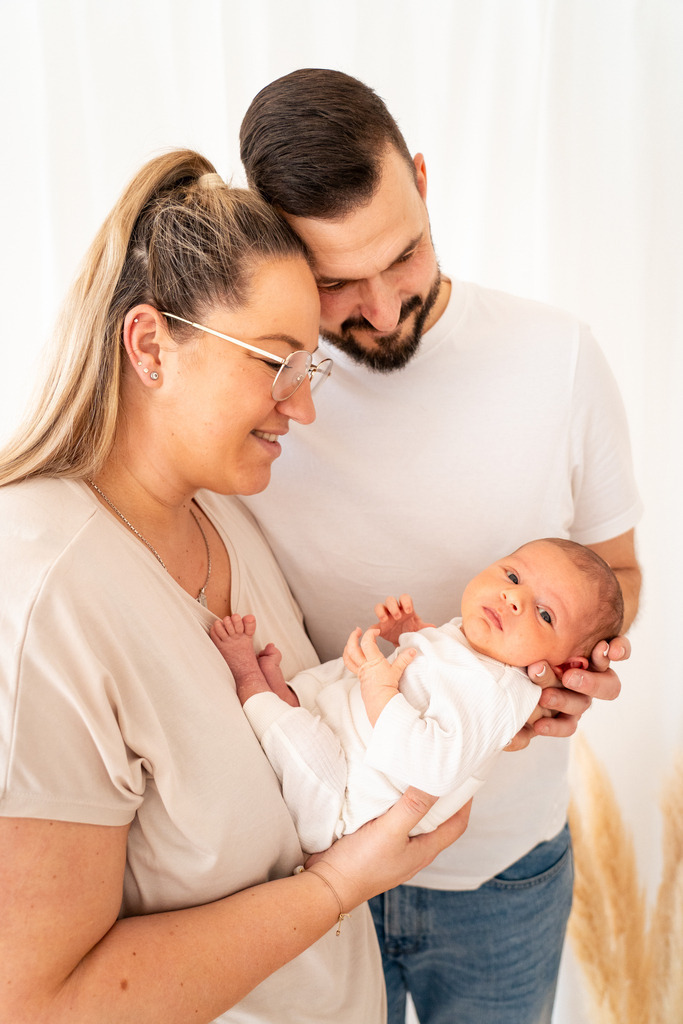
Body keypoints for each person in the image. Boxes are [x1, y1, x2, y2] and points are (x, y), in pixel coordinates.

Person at [0, 149, 472, 1024]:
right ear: (150, 345)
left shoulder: (226, 517)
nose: (304, 408)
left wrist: (457, 701)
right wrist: (337, 887)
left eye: (309, 367)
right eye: (274, 362)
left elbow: (307, 737)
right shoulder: (36, 598)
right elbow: (36, 1002)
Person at [238, 69, 643, 1023]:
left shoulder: (559, 357)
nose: (381, 308)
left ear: (421, 179)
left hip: (505, 867)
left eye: (405, 254)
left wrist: (585, 666)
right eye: (335, 281)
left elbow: (616, 570)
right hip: (307, 862)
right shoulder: (256, 400)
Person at [211, 538, 624, 853]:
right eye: (513, 577)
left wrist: (379, 683)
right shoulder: (488, 649)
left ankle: (251, 682)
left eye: (545, 614)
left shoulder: (496, 694)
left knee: (319, 733)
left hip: (340, 799)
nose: (513, 598)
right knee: (346, 670)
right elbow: (438, 672)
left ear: (568, 668)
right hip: (351, 734)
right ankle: (289, 697)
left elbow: (431, 766)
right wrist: (413, 631)